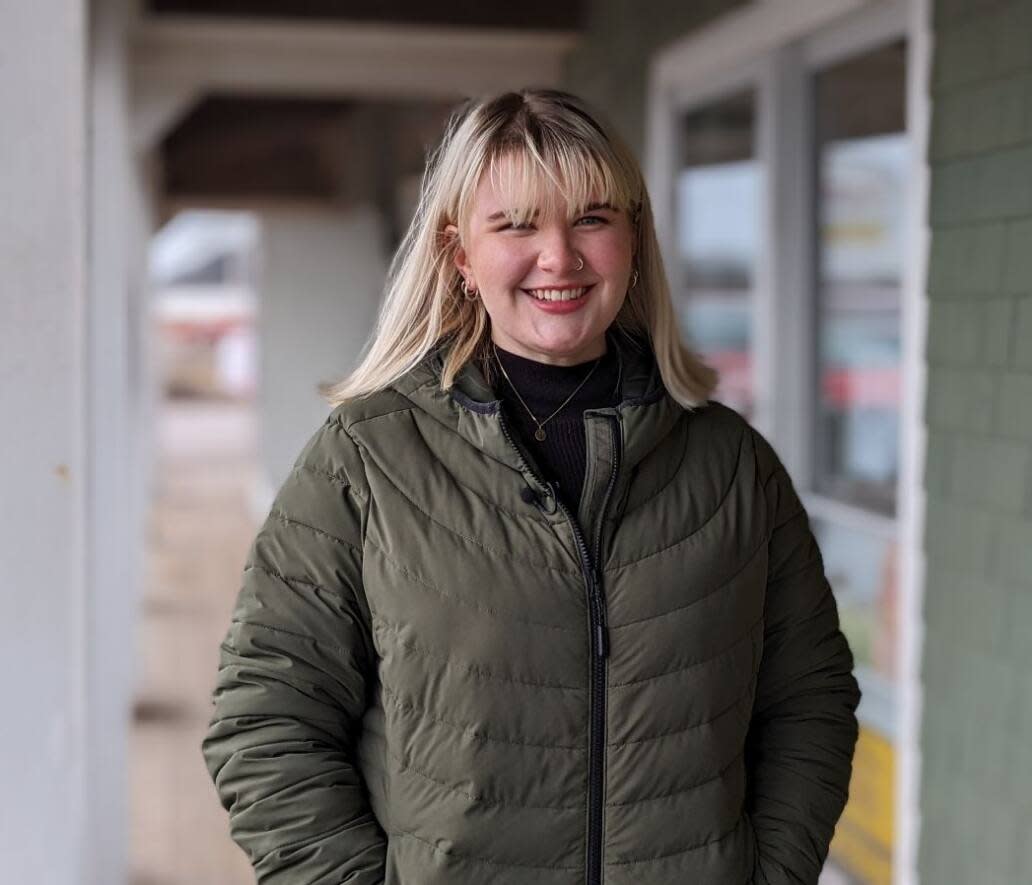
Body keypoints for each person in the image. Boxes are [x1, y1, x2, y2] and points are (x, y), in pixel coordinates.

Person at [202, 88, 860, 885]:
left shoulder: (730, 466)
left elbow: (808, 699)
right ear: (459, 255)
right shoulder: (366, 460)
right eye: (515, 224)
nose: (559, 257)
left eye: (591, 218)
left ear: (633, 237)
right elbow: (266, 719)